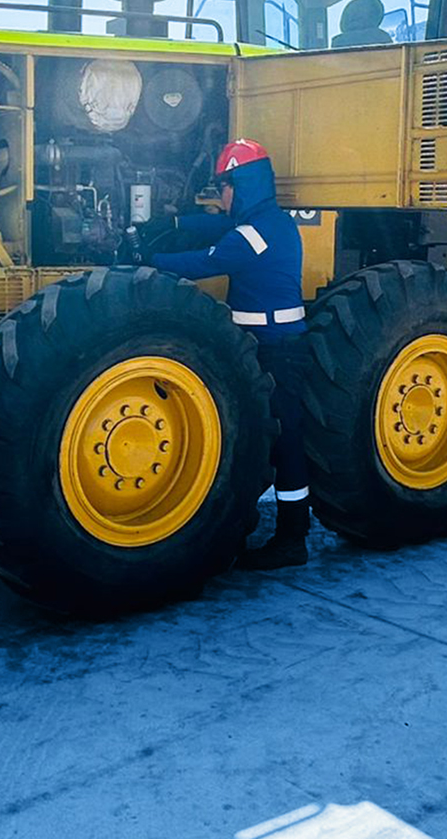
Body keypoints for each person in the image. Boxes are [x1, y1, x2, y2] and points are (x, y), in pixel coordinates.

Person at [146, 139, 312, 570]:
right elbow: (215, 225)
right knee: (269, 435)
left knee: (286, 440)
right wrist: (173, 220)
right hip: (269, 345)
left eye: (222, 187)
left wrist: (149, 258)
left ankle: (293, 539)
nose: (220, 198)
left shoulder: (254, 235)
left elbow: (208, 260)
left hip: (277, 351)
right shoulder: (269, 222)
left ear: (242, 185)